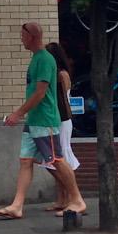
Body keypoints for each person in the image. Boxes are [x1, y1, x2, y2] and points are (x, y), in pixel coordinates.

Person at [0, 21, 83, 222]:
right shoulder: (36, 59)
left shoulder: (44, 60)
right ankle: (17, 205)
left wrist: (18, 113)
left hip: (45, 120)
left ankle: (77, 199)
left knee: (56, 160)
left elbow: (40, 93)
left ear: (32, 37)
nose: (21, 39)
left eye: (23, 36)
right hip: (34, 120)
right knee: (26, 161)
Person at [42, 41, 86, 217]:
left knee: (60, 156)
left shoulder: (61, 75)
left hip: (61, 118)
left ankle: (69, 197)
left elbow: (62, 97)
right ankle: (61, 198)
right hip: (56, 118)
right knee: (53, 159)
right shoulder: (56, 74)